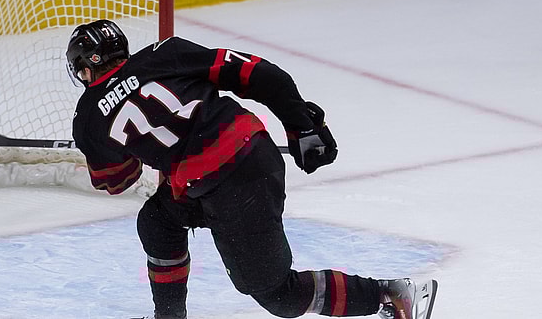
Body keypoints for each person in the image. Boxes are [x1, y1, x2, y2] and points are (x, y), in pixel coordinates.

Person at [65, 19, 437, 319]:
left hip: (234, 185)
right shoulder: (166, 53)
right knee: (157, 221)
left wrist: (129, 147)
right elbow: (260, 74)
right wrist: (300, 126)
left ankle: (391, 295)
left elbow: (117, 180)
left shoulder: (88, 118)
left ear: (83, 69)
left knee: (278, 295)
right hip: (250, 156)